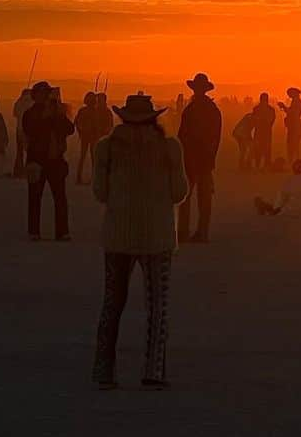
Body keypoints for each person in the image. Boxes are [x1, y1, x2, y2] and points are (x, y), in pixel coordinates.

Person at [91, 93, 187, 390]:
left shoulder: (105, 147)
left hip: (118, 234)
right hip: (157, 235)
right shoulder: (169, 147)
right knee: (158, 306)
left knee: (112, 303)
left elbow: (100, 192)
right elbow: (179, 192)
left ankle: (104, 370)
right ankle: (153, 371)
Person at [23, 81, 74, 241]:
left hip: (55, 160)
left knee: (60, 198)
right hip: (37, 160)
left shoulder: (56, 113)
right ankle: (34, 231)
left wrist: (58, 114)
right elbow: (31, 131)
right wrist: (46, 117)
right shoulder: (30, 113)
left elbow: (69, 129)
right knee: (35, 197)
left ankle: (62, 231)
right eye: (43, 93)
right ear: (36, 95)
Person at [177, 72, 221, 244]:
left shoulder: (191, 110)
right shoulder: (212, 110)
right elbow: (216, 138)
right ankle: (201, 232)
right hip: (203, 158)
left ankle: (184, 231)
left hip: (193, 158)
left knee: (187, 197)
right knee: (203, 198)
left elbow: (182, 135)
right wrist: (211, 158)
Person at [75, 92, 99, 184]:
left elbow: (77, 123)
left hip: (87, 136)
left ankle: (79, 178)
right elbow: (77, 122)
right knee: (91, 157)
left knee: (85, 157)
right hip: (90, 136)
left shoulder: (83, 110)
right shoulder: (93, 111)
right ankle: (91, 178)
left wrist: (80, 132)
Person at [251, 92, 276, 170]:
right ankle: (261, 165)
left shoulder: (257, 109)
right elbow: (271, 120)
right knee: (261, 148)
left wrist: (260, 121)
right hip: (263, 131)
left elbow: (271, 120)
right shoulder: (269, 109)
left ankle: (263, 165)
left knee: (265, 148)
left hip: (262, 131)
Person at [12, 88, 33, 177]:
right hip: (28, 130)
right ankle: (27, 171)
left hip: (19, 129)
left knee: (19, 152)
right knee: (29, 152)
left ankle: (18, 171)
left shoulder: (18, 102)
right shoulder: (32, 103)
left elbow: (15, 114)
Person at [279, 88, 301, 165]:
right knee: (293, 145)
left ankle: (294, 162)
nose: (288, 96)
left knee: (293, 145)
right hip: (294, 126)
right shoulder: (296, 101)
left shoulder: (297, 101)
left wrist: (284, 107)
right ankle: (293, 162)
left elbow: (293, 113)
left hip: (295, 126)